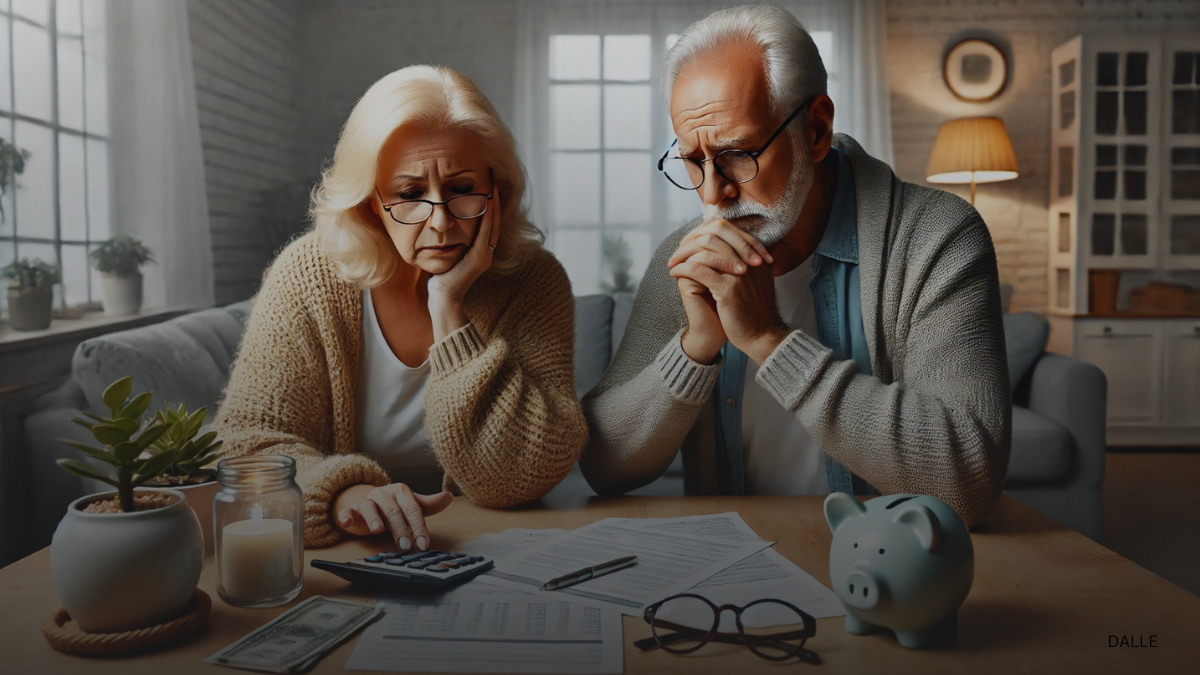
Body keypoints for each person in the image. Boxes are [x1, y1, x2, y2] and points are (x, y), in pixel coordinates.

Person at [581, 5, 1010, 527]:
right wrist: (695, 349)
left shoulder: (937, 238)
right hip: (732, 581)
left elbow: (969, 482)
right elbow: (602, 466)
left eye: (738, 153)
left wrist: (768, 337)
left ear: (817, 129)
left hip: (887, 578)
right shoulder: (685, 258)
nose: (714, 194)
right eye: (693, 162)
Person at [215, 66, 587, 549]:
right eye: (410, 195)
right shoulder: (310, 275)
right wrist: (340, 491)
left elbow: (522, 474)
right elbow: (248, 445)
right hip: (353, 551)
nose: (440, 222)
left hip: (489, 545)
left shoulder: (533, 279)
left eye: (461, 189)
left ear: (495, 190)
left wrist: (450, 309)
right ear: (372, 202)